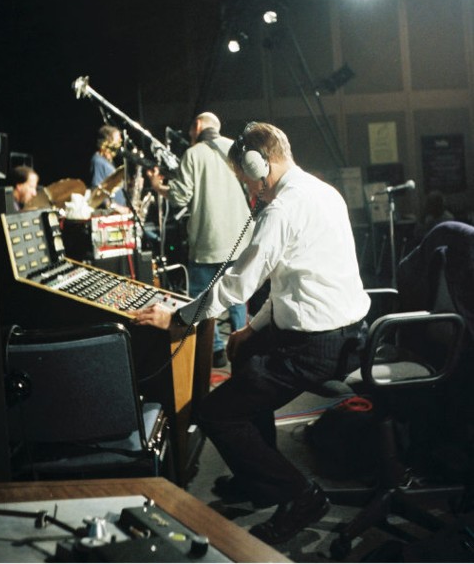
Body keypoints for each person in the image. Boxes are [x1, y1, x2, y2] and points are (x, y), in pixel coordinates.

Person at [133, 121, 371, 545]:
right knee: (244, 353)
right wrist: (248, 328)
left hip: (317, 345)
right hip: (346, 333)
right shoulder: (321, 191)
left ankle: (300, 496)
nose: (247, 188)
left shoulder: (281, 209)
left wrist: (178, 317)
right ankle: (258, 479)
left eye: (245, 178)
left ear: (259, 165)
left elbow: (238, 284)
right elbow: (289, 284)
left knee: (217, 413)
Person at [147, 111, 252, 368]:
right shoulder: (237, 148)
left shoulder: (193, 154)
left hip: (208, 241)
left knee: (203, 299)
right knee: (238, 295)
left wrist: (157, 186)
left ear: (197, 125)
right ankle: (241, 348)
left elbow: (180, 198)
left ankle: (215, 350)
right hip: (241, 240)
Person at [90, 124, 128, 213]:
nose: (120, 143)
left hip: (120, 212)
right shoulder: (98, 161)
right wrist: (118, 208)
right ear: (107, 141)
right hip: (112, 213)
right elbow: (98, 194)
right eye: (117, 140)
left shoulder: (108, 161)